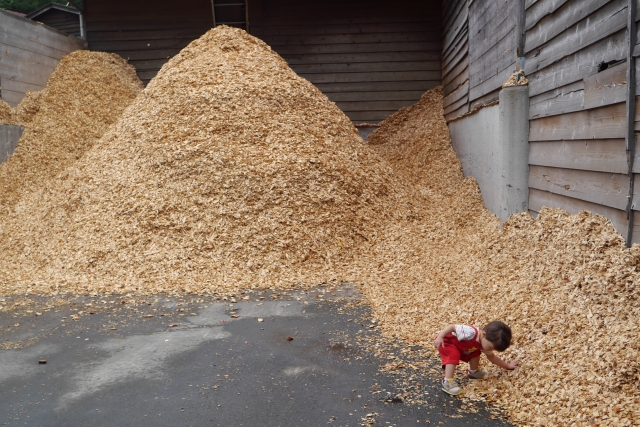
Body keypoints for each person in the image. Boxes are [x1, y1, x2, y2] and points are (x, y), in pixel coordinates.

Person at [433, 321, 518, 395]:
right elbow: (452, 327)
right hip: (446, 342)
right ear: (484, 335)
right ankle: (448, 382)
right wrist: (440, 336)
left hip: (461, 347)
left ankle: (473, 372)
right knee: (454, 355)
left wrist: (507, 366)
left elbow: (492, 358)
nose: (490, 350)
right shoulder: (471, 332)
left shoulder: (485, 343)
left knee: (476, 352)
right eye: (490, 347)